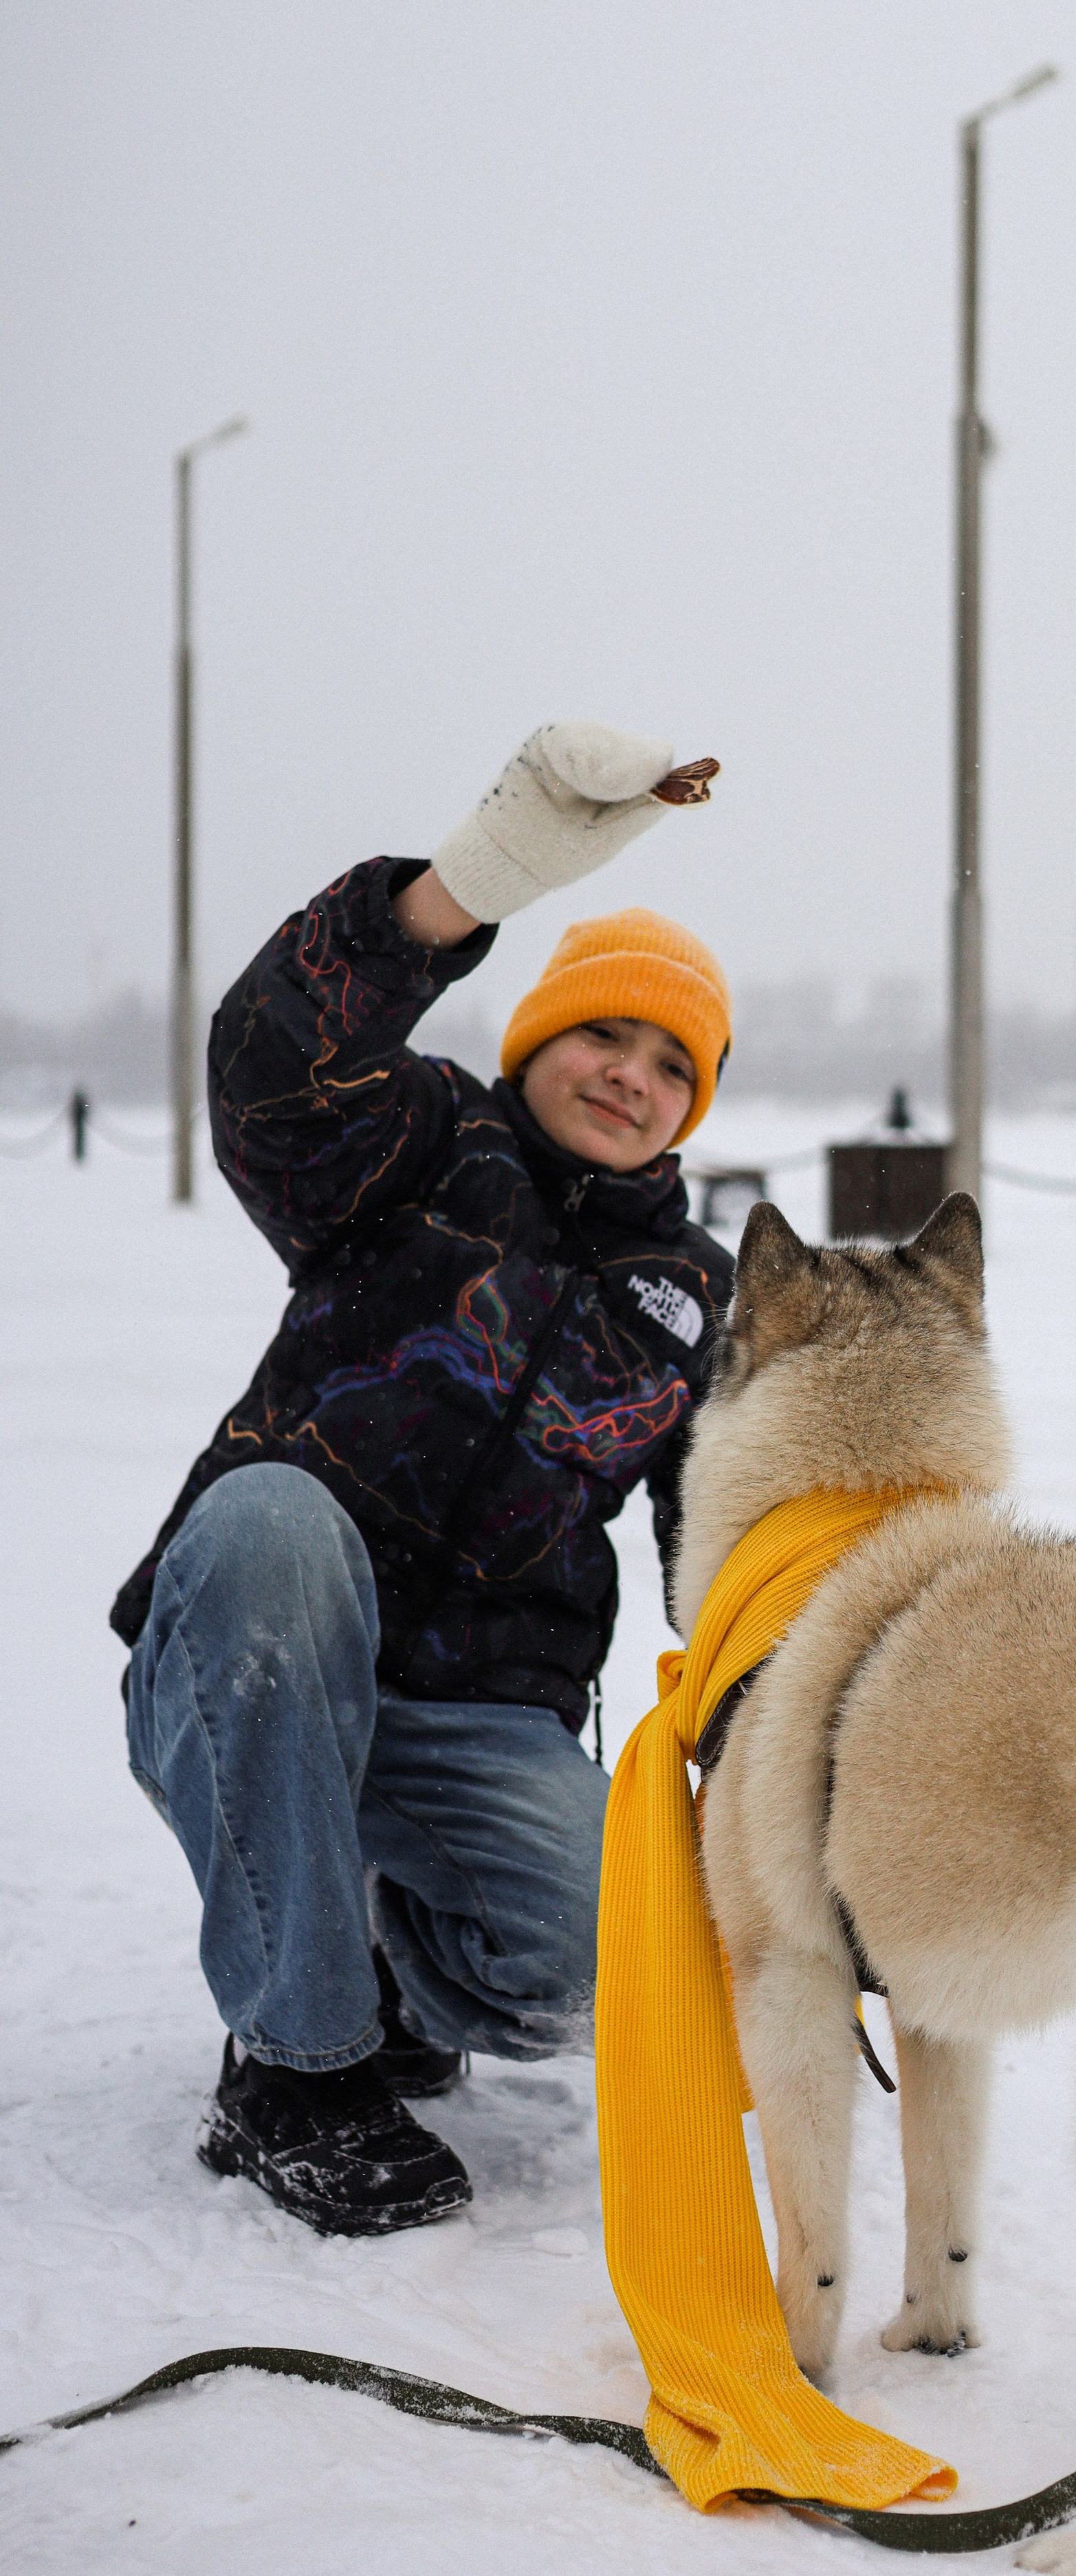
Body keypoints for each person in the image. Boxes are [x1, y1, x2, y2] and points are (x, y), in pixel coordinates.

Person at [111, 719, 736, 2236]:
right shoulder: (421, 1138)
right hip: (262, 1653)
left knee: (617, 1961)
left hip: (479, 1720)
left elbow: (727, 1545)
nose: (633, 1077)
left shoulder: (695, 1295)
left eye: (674, 1064)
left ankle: (387, 1967)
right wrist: (467, 884)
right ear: (537, 1040)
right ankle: (298, 2067)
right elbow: (270, 1063)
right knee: (269, 1521)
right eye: (607, 1035)